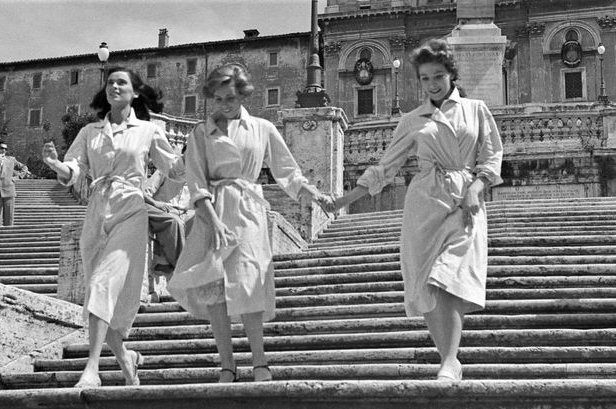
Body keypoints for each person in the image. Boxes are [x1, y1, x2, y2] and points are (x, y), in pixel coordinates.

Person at [332, 39, 503, 382]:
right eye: (425, 78)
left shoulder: (476, 110)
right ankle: (449, 360)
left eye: (438, 75)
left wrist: (476, 187)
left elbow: (492, 157)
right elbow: (385, 168)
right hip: (424, 204)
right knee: (428, 284)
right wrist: (343, 200)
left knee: (448, 277)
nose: (432, 83)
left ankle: (450, 359)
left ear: (451, 74)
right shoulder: (412, 120)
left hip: (464, 204)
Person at [167, 64, 333, 383]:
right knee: (214, 290)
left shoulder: (262, 128)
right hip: (211, 212)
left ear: (242, 94)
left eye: (229, 97)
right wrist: (212, 221)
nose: (223, 105)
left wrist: (312, 192)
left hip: (247, 211)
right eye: (217, 99)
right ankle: (227, 365)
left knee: (249, 282)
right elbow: (197, 182)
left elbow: (287, 171)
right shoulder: (201, 133)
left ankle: (260, 362)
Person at [41, 66, 182, 388]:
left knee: (103, 284)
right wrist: (55, 165)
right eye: (110, 82)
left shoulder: (148, 131)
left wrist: (201, 153)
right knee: (96, 290)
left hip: (131, 210)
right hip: (97, 211)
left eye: (122, 82)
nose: (114, 86)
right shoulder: (90, 132)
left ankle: (92, 369)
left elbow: (174, 170)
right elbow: (74, 169)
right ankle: (125, 357)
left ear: (134, 92)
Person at [144, 145, 194, 277]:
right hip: (162, 208)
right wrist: (156, 204)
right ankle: (180, 266)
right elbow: (146, 192)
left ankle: (169, 263)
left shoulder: (197, 175)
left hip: (184, 212)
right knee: (174, 222)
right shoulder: (166, 169)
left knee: (205, 220)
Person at [0, 141, 28, 226]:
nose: (4, 150)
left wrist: (17, 177)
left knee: (9, 218)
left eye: (5, 149)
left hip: (9, 190)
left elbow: (24, 168)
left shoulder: (11, 159)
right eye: (1, 148)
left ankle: (9, 235)